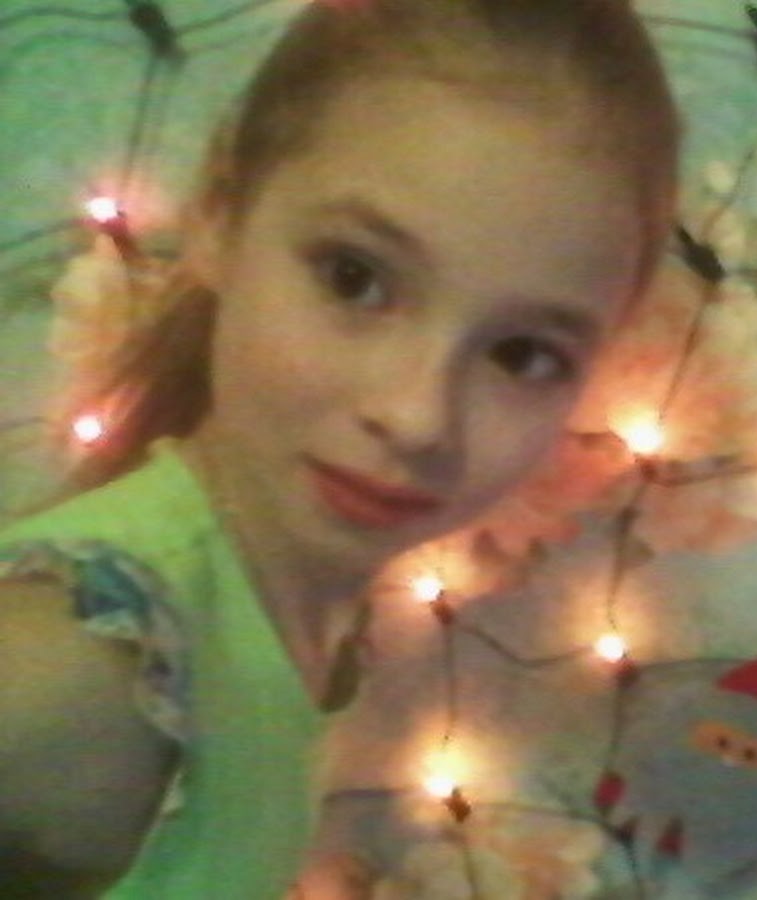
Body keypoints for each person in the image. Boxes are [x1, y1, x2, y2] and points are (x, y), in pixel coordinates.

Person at [0, 0, 679, 896]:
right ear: (220, 212)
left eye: (523, 355)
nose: (419, 417)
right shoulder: (83, 672)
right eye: (354, 278)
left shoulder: (286, 614)